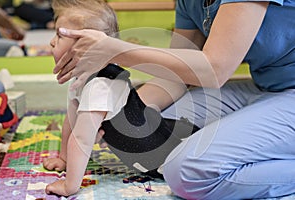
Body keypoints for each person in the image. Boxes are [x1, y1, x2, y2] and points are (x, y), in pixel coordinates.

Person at [51, 0, 295, 199]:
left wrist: (116, 51)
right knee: (146, 136)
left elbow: (214, 70)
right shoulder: (190, 2)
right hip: (266, 88)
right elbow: (175, 77)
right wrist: (120, 115)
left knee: (185, 172)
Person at [43, 0, 198, 196]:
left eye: (59, 35)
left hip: (164, 157)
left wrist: (70, 186)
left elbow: (82, 138)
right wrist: (64, 159)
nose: (51, 41)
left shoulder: (101, 85)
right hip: (148, 137)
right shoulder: (83, 77)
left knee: (191, 165)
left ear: (86, 47)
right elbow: (71, 121)